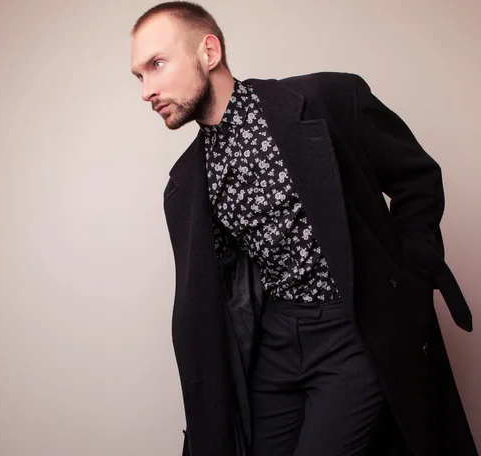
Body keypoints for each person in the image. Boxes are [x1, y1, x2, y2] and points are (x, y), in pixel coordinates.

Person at [129, 2, 477, 455]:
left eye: (157, 65)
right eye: (139, 76)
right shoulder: (186, 183)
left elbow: (418, 179)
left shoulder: (327, 102)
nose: (146, 90)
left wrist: (405, 278)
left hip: (349, 330)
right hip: (275, 341)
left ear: (208, 52)